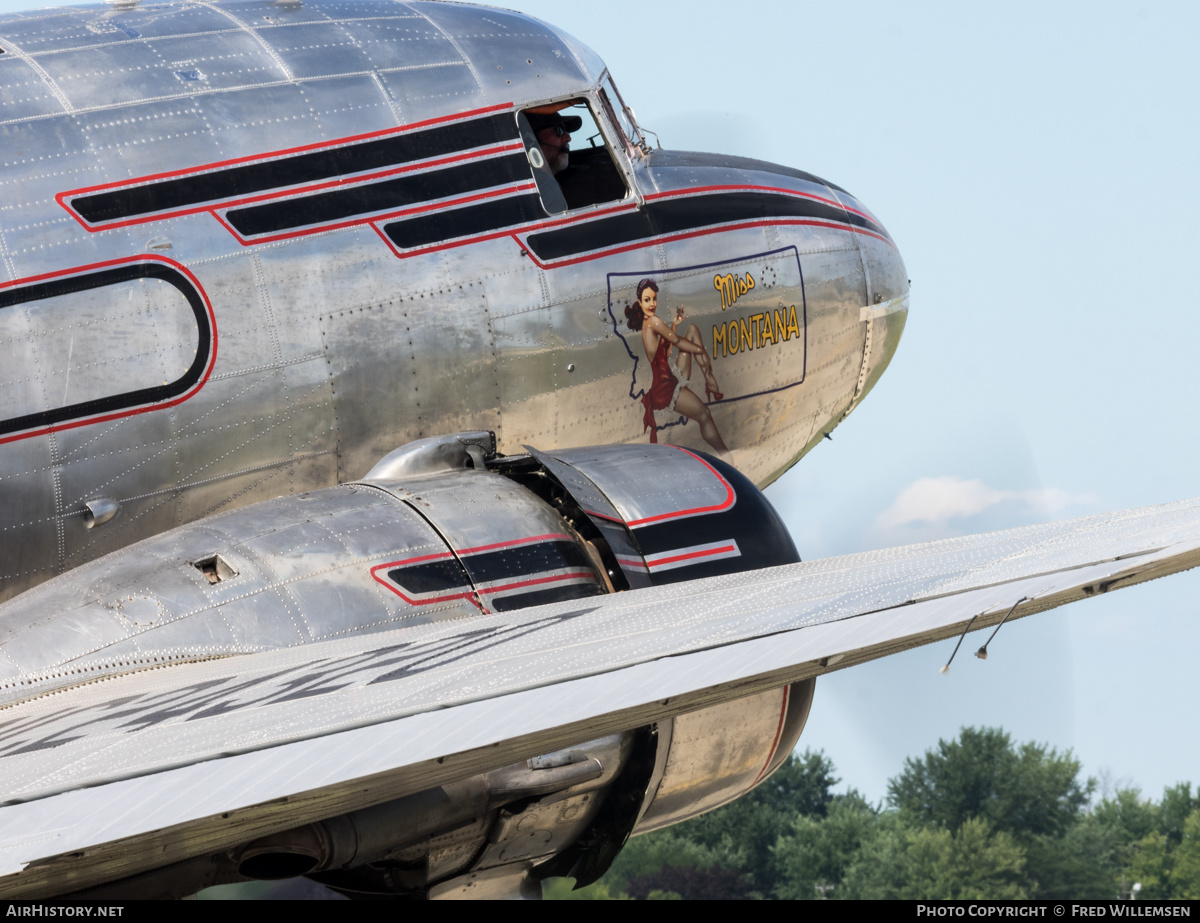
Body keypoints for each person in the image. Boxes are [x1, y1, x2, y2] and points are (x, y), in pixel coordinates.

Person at [624, 278, 729, 454]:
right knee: (704, 414)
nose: (652, 304)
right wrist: (700, 350)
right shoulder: (653, 321)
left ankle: (709, 379)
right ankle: (727, 457)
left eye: (654, 299)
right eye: (647, 300)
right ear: (639, 303)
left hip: (670, 379)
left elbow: (664, 354)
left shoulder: (648, 323)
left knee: (693, 330)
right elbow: (677, 341)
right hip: (664, 389)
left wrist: (674, 324)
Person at [526, 111, 580, 176]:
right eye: (559, 129)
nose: (568, 138)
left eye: (567, 132)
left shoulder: (548, 184)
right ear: (533, 138)